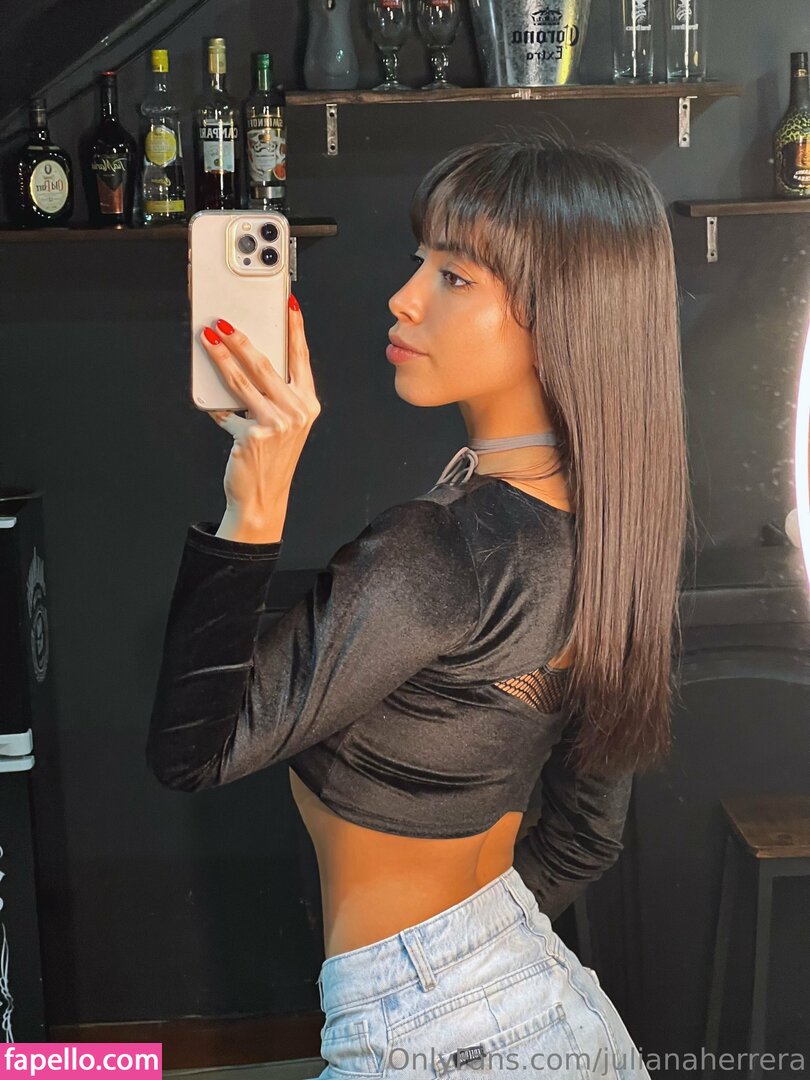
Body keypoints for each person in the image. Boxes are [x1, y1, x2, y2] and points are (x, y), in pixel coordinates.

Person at [147, 129, 693, 1079]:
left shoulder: (442, 551)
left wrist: (256, 495)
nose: (403, 297)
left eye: (454, 276)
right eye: (419, 261)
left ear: (560, 314)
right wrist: (466, 968)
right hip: (547, 1008)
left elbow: (192, 750)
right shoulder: (609, 535)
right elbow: (584, 837)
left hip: (436, 1036)